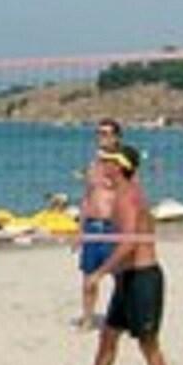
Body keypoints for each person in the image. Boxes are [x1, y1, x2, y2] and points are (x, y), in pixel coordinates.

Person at [63, 145, 175, 365]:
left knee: (148, 345)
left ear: (118, 167)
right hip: (127, 279)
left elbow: (129, 243)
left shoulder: (127, 197)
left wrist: (99, 273)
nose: (102, 167)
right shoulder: (122, 193)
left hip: (143, 278)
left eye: (107, 163)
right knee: (108, 337)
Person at [74, 120, 124, 329]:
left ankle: (122, 318)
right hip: (92, 227)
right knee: (88, 278)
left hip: (113, 227)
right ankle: (87, 317)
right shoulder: (93, 166)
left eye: (106, 133)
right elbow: (87, 197)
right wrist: (79, 230)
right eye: (99, 133)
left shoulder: (122, 165)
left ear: (116, 138)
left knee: (120, 278)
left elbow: (132, 197)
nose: (101, 137)